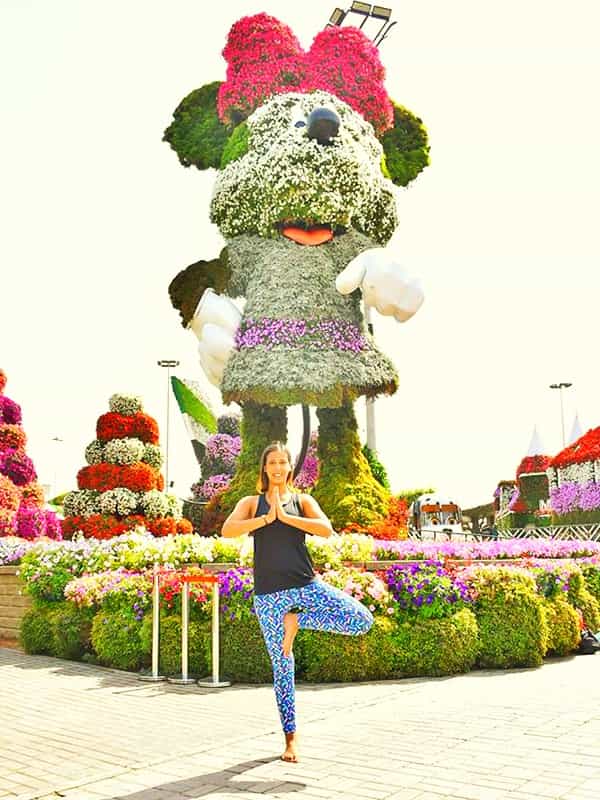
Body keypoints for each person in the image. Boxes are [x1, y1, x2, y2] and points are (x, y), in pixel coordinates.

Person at [221, 440, 374, 763]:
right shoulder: (252, 503)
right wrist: (266, 519)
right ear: (264, 468)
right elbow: (228, 530)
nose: (277, 467)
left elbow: (325, 529)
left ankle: (298, 621)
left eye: (282, 462)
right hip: (269, 595)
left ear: (290, 468)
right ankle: (290, 740)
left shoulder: (302, 500)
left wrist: (285, 518)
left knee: (361, 621)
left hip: (305, 585)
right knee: (282, 668)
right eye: (271, 462)